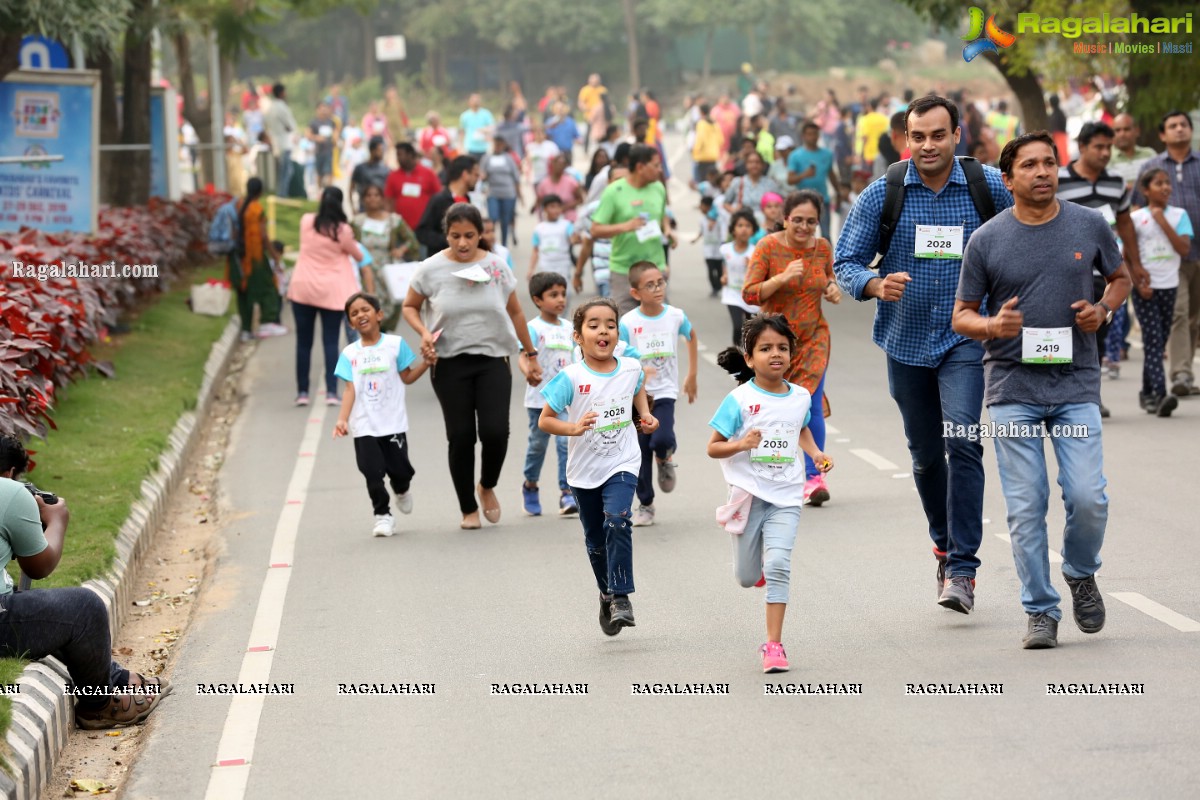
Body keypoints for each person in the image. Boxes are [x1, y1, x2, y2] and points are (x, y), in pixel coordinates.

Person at [834, 94, 1014, 612]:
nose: (929, 145)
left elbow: (1026, 232)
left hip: (966, 339)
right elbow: (846, 260)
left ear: (957, 135)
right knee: (925, 455)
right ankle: (942, 541)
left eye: (939, 135)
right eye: (919, 136)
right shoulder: (883, 194)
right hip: (906, 342)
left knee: (963, 442)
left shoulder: (989, 188)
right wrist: (872, 284)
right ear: (905, 139)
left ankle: (962, 568)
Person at [952, 131, 1129, 649]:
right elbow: (961, 315)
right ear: (1008, 180)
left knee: (1086, 496)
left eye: (1049, 163)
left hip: (1075, 383)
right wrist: (991, 327)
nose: (1042, 172)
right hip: (1013, 389)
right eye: (1029, 165)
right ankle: (1040, 610)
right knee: (1026, 506)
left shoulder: (1089, 224)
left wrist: (1104, 310)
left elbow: (1119, 278)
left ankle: (1079, 572)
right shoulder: (987, 239)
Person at [0, 436, 170, 729]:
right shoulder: (10, 493)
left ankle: (115, 677)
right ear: (11, 471)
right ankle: (100, 706)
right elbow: (39, 566)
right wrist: (57, 520)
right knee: (83, 609)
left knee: (50, 612)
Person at [402, 203, 543, 530]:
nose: (463, 243)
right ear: (446, 235)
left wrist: (530, 353)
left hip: (493, 359)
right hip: (448, 363)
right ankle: (468, 508)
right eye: (455, 236)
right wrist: (423, 332)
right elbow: (410, 306)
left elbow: (517, 312)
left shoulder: (496, 266)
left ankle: (487, 485)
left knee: (496, 432)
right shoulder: (429, 269)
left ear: (481, 234)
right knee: (461, 436)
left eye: (469, 236)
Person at [707, 315, 834, 673]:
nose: (774, 354)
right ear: (749, 358)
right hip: (748, 496)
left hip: (787, 496)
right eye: (765, 348)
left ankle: (774, 645)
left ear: (791, 354)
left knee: (778, 565)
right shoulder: (739, 399)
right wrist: (740, 444)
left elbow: (802, 429)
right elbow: (712, 448)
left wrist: (816, 454)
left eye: (782, 348)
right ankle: (757, 567)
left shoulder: (800, 396)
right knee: (747, 577)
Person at [538, 297, 659, 634]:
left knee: (618, 519)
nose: (603, 331)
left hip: (623, 459)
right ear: (578, 336)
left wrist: (644, 414)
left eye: (610, 324)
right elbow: (545, 421)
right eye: (593, 325)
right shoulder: (571, 377)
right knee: (594, 540)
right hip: (583, 470)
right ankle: (606, 593)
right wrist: (573, 428)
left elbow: (637, 389)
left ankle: (621, 595)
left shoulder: (631, 367)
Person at [744, 190, 840, 506]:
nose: (803, 227)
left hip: (813, 339)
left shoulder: (822, 248)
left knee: (808, 401)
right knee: (777, 407)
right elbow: (750, 293)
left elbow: (827, 279)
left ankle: (815, 478)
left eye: (811, 221)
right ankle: (772, 471)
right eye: (797, 220)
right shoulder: (768, 247)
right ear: (784, 219)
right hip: (775, 341)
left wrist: (831, 289)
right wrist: (782, 278)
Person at [1055, 121, 1142, 413]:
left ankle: (1090, 397)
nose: (1105, 153)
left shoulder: (1116, 182)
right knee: (1063, 333)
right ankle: (1056, 395)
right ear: (1082, 148)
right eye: (1099, 147)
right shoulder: (1058, 179)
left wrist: (1135, 263)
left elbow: (1126, 223)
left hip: (1103, 272)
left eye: (1109, 148)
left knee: (1097, 333)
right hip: (1064, 270)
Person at [332, 292, 428, 537]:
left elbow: (406, 377)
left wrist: (427, 364)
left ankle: (402, 489)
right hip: (363, 425)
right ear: (351, 323)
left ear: (379, 314)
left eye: (365, 310)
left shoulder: (395, 345)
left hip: (393, 423)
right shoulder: (349, 354)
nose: (360, 315)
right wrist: (342, 419)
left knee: (401, 471)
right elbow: (349, 389)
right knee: (371, 471)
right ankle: (382, 515)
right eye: (354, 314)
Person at [619, 261, 698, 527]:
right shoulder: (628, 322)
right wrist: (635, 372)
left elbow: (691, 335)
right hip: (637, 394)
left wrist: (692, 374)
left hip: (664, 391)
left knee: (661, 438)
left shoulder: (674, 315)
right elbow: (619, 354)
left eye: (660, 282)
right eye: (649, 285)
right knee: (640, 452)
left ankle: (665, 457)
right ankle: (646, 504)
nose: (657, 288)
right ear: (636, 293)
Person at [1134, 110, 1200, 398]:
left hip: (1195, 251)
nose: (1179, 130)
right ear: (1163, 135)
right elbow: (1137, 212)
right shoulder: (1152, 166)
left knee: (1194, 317)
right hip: (1167, 259)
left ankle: (1183, 367)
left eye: (1183, 125)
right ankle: (1182, 373)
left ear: (1191, 130)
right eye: (1172, 126)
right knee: (1179, 313)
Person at [288, 186, 364, 407]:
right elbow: (357, 254)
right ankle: (331, 392)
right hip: (332, 293)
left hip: (302, 289)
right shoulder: (343, 231)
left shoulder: (306, 222)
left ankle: (302, 392)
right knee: (330, 342)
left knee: (303, 343)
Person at [1131, 167, 1193, 415]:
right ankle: (1159, 394)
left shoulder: (1179, 215)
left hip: (1170, 286)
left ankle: (1146, 393)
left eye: (1167, 183)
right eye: (1159, 183)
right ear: (1146, 190)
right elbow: (1126, 254)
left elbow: (1184, 249)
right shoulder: (1135, 218)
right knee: (1153, 341)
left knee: (1158, 340)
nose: (1166, 187)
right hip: (1146, 288)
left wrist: (1162, 221)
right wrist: (1137, 283)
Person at [520, 273, 576, 517]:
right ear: (537, 300)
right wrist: (529, 371)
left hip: (567, 399)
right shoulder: (533, 328)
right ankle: (530, 484)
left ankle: (567, 493)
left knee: (566, 443)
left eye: (563, 294)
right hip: (539, 399)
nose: (560, 299)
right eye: (553, 295)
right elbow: (524, 356)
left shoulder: (570, 328)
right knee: (538, 445)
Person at [590, 144, 670, 316]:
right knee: (625, 328)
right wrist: (626, 226)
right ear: (640, 167)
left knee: (657, 326)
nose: (660, 170)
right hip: (623, 271)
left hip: (655, 268)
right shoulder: (613, 192)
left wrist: (668, 230)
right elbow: (595, 229)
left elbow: (662, 216)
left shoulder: (659, 188)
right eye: (655, 165)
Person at [231, 178, 287, 341]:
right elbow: (263, 236)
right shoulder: (256, 209)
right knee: (269, 287)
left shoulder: (239, 206)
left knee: (243, 292)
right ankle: (267, 322)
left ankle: (246, 330)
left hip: (238, 258)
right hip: (255, 259)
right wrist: (274, 254)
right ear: (260, 192)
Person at [787, 122, 843, 238]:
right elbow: (790, 179)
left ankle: (827, 256)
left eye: (815, 134)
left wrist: (838, 193)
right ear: (803, 136)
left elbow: (831, 174)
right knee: (804, 234)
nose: (812, 137)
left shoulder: (827, 154)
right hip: (802, 202)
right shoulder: (795, 155)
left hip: (823, 200)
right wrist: (804, 175)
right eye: (809, 134)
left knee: (826, 235)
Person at [415, 155, 478, 255]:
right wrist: (449, 240)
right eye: (476, 175)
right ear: (465, 174)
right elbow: (422, 233)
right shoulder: (439, 200)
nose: (478, 179)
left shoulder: (467, 200)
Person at [720, 208, 761, 344]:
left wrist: (752, 266)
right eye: (740, 225)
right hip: (732, 294)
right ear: (733, 229)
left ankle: (750, 354)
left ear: (753, 230)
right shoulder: (725, 249)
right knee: (738, 326)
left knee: (752, 329)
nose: (744, 229)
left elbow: (760, 276)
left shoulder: (755, 252)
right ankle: (737, 353)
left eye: (748, 226)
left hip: (750, 297)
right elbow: (726, 265)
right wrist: (724, 276)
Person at [483, 135, 523, 248]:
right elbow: (482, 174)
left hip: (508, 193)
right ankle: (492, 241)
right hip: (493, 192)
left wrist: (519, 194)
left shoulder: (508, 158)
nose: (498, 147)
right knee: (493, 217)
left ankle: (504, 244)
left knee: (505, 220)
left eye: (500, 145)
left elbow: (516, 177)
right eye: (496, 144)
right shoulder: (487, 158)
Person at [723, 151, 781, 227]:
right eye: (750, 162)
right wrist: (734, 211)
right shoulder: (738, 182)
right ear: (746, 165)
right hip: (744, 226)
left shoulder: (771, 184)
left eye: (757, 162)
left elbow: (778, 205)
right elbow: (726, 203)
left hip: (765, 226)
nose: (754, 165)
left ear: (763, 165)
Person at [529, 193, 576, 283]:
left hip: (563, 265)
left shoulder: (566, 225)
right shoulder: (539, 228)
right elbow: (535, 250)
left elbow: (573, 238)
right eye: (552, 207)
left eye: (558, 207)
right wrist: (531, 269)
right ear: (545, 209)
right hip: (546, 265)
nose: (556, 210)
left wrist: (576, 239)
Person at [263, 83, 297, 197]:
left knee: (282, 172)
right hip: (285, 144)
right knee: (285, 173)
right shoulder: (282, 107)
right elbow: (291, 126)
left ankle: (281, 194)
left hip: (275, 144)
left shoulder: (270, 108)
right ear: (282, 93)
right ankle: (283, 196)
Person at [1109, 113, 1157, 191]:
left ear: (1137, 131)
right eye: (1117, 130)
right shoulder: (1106, 157)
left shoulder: (1149, 154)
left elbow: (1158, 182)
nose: (1122, 134)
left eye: (1126, 129)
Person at [350, 136, 392, 213]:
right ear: (373, 151)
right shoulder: (360, 168)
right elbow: (351, 188)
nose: (382, 153)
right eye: (380, 151)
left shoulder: (387, 170)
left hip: (381, 210)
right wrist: (352, 207)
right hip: (364, 209)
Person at [694, 195, 724, 297]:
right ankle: (714, 288)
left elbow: (722, 233)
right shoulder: (702, 220)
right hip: (708, 250)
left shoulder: (719, 219)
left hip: (718, 250)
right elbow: (702, 231)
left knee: (719, 270)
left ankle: (719, 286)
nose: (700, 208)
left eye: (702, 205)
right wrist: (696, 239)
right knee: (711, 270)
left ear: (708, 207)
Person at [307, 102, 336, 189]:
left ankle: (330, 191)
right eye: (321, 108)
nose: (324, 111)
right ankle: (319, 191)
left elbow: (336, 133)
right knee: (319, 174)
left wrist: (335, 139)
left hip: (329, 151)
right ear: (317, 110)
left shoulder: (331, 122)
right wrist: (317, 138)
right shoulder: (313, 122)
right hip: (318, 151)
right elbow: (308, 135)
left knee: (329, 172)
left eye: (325, 108)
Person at [459, 93, 495, 158]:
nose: (475, 102)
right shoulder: (465, 116)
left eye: (477, 100)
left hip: (484, 147)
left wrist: (484, 130)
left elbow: (492, 127)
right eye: (473, 100)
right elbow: (462, 132)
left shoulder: (486, 114)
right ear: (469, 102)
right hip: (470, 146)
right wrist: (461, 147)